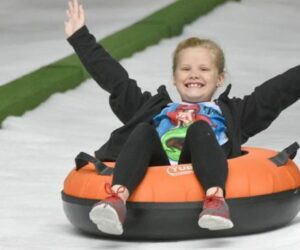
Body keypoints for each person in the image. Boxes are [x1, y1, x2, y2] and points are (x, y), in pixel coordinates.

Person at [65, 0, 300, 235]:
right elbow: (116, 81)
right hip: (159, 162)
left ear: (219, 78)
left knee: (199, 128)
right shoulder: (155, 108)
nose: (194, 74)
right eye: (185, 69)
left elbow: (278, 91)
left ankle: (215, 201)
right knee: (143, 130)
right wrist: (80, 37)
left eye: (204, 69)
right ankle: (117, 200)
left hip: (205, 159)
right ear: (174, 77)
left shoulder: (233, 113)